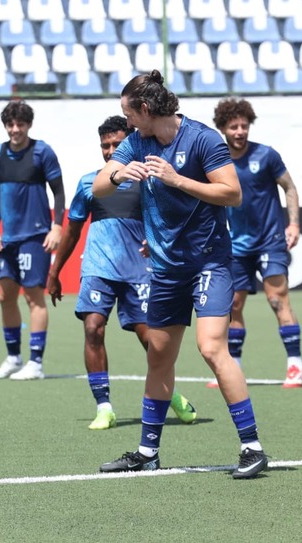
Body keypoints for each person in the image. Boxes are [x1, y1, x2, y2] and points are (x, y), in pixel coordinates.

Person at [92, 70, 268, 479]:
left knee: (211, 348)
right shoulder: (137, 142)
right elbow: (100, 185)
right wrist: (119, 174)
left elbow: (232, 193)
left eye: (128, 114)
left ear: (145, 109)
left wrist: (177, 179)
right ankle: (147, 452)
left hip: (209, 262)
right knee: (158, 355)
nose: (126, 122)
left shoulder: (203, 139)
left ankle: (252, 447)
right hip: (166, 268)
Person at [47, 115, 198, 430]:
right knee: (93, 328)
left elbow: (173, 219)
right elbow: (73, 231)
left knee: (152, 341)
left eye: (116, 144)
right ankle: (104, 408)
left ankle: (169, 394)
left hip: (139, 271)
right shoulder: (90, 183)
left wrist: (158, 242)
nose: (110, 150)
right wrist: (55, 271)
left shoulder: (148, 180)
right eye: (105, 145)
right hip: (98, 268)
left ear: (130, 142)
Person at [211, 98, 302, 388]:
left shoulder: (266, 155)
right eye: (234, 127)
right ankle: (234, 368)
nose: (240, 131)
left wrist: (294, 224)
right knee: (234, 304)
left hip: (270, 241)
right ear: (223, 128)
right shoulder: (215, 161)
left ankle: (296, 367)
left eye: (244, 126)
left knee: (277, 299)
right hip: (235, 246)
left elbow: (290, 188)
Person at [0, 100, 65, 381]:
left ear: (29, 125)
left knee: (34, 297)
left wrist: (57, 226)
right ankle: (13, 358)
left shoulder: (42, 152)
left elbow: (58, 191)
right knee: (5, 295)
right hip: (8, 238)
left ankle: (36, 363)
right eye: (10, 124)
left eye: (20, 124)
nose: (15, 129)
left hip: (35, 235)